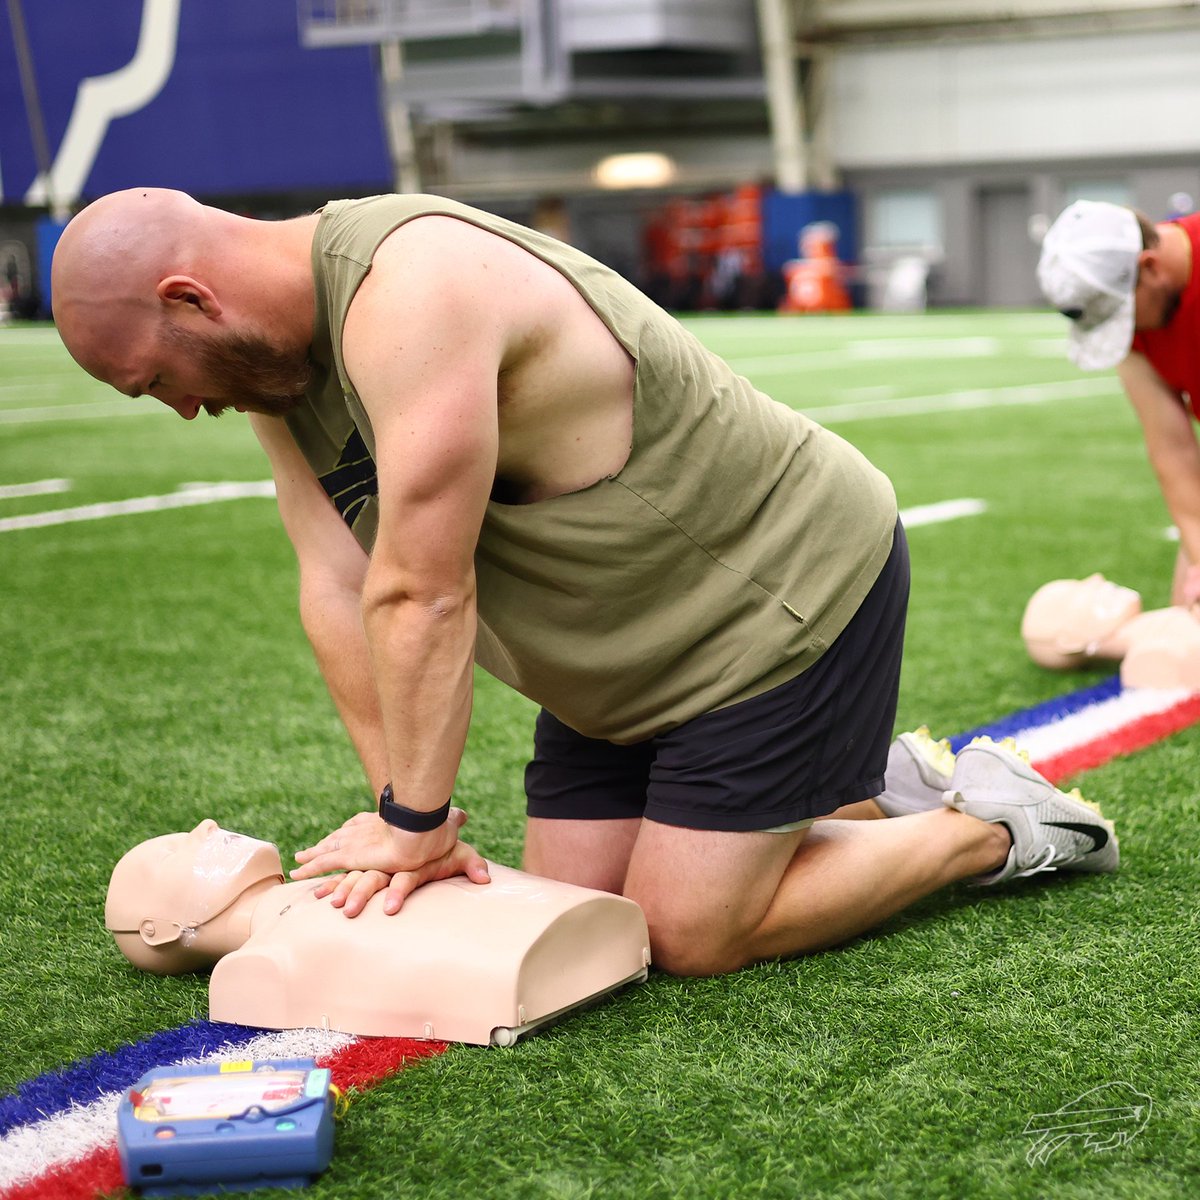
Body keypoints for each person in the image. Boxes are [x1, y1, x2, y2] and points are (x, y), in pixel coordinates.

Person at [53, 188, 1118, 977]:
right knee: (581, 920)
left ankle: (988, 824)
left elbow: (421, 592)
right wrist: (399, 818)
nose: (182, 408)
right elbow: (335, 582)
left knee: (687, 936)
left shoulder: (413, 285)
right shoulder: (277, 381)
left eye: (159, 381)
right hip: (616, 663)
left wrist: (419, 820)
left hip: (771, 600)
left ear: (192, 299)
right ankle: (868, 786)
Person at [106, 819, 651, 1044]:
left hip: (577, 933)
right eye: (173, 852)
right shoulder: (253, 966)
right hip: (540, 965)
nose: (206, 827)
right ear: (156, 931)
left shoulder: (338, 881)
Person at [1037, 199, 1200, 605]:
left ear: (1150, 266)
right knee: (1187, 618)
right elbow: (1173, 450)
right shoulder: (1141, 317)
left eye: (1122, 318)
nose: (1125, 333)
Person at [1022, 572, 1200, 689]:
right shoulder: (1147, 656)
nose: (1095, 579)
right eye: (1076, 593)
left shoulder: (1158, 626)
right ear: (1070, 641)